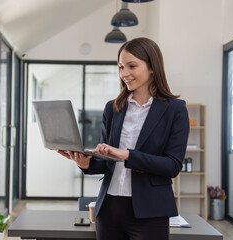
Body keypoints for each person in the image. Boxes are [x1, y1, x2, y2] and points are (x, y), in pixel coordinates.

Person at [58, 37, 189, 240]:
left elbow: (172, 166)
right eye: (120, 67)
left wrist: (128, 155)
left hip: (150, 212)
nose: (124, 73)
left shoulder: (175, 110)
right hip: (109, 209)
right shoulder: (113, 108)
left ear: (152, 67)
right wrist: (86, 164)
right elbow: (105, 164)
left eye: (132, 66)